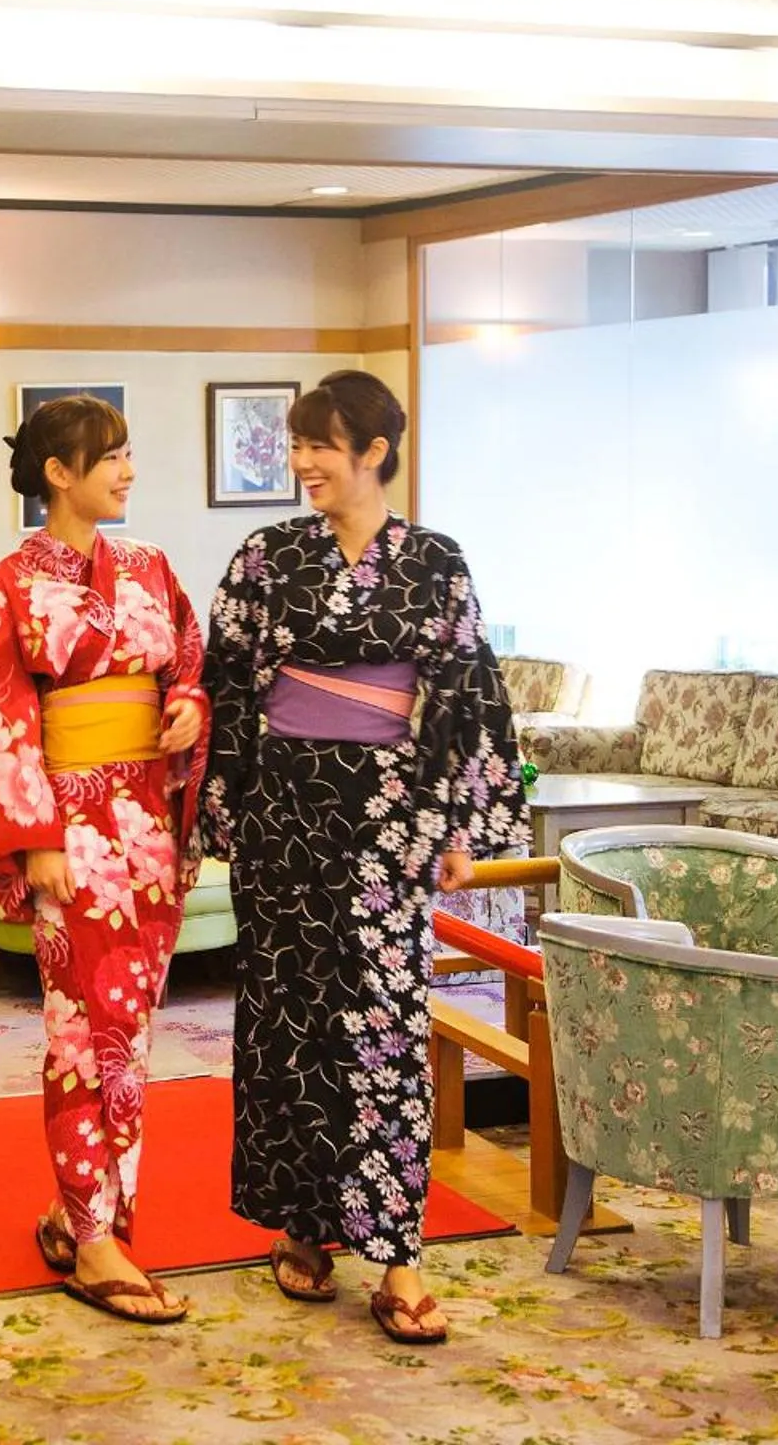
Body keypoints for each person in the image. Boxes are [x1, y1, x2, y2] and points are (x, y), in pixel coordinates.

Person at [200, 369, 527, 1345]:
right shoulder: (267, 556)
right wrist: (222, 805)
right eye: (297, 444)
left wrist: (460, 824)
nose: (302, 462)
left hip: (388, 818)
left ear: (374, 451)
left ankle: (399, 1255)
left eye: (320, 445)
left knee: (385, 1024)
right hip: (283, 812)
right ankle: (302, 1225)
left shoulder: (434, 561)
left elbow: (466, 689)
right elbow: (225, 679)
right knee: (286, 1020)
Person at [0, 394, 209, 1325]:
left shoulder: (150, 567)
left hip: (148, 820)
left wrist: (187, 707)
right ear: (58, 474)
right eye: (110, 458)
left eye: (129, 454)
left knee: (129, 1029)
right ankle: (96, 1237)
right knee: (81, 1029)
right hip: (68, 827)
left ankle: (80, 1215)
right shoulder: (12, 582)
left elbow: (190, 662)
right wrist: (34, 839)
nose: (128, 471)